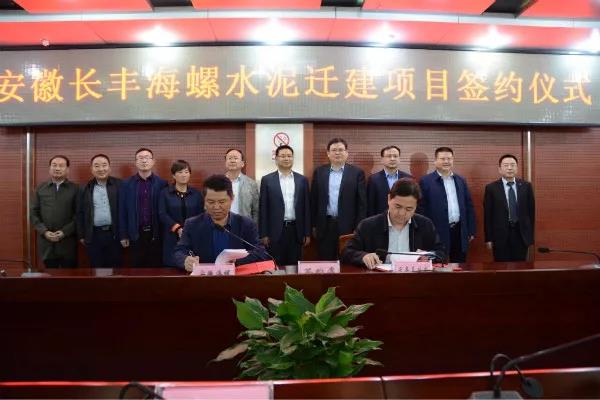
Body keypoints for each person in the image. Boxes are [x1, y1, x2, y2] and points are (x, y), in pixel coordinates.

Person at [342, 178, 446, 269]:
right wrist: (363, 256)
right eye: (398, 207)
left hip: (414, 279)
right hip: (378, 280)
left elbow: (441, 253)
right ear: (389, 199)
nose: (402, 213)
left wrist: (428, 256)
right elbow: (347, 252)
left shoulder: (425, 225)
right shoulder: (368, 226)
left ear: (416, 206)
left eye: (409, 209)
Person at [173, 174, 267, 271]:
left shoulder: (246, 224)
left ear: (232, 199)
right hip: (204, 278)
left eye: (222, 202)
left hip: (236, 277)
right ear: (204, 201)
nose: (216, 207)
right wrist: (185, 260)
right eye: (211, 202)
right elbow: (179, 251)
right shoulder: (192, 224)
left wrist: (236, 261)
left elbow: (260, 253)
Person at [311, 138, 367, 260]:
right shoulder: (319, 172)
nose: (337, 153)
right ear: (328, 153)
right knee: (326, 260)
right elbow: (314, 200)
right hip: (325, 225)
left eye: (341, 150)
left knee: (347, 259)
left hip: (348, 226)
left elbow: (362, 204)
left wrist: (359, 227)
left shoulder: (357, 173)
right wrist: (314, 225)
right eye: (334, 150)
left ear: (346, 153)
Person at [418, 147, 476, 263]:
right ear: (435, 161)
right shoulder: (426, 181)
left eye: (449, 159)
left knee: (459, 265)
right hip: (437, 230)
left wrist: (470, 230)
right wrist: (425, 231)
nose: (446, 161)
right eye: (442, 159)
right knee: (438, 264)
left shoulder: (460, 180)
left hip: (459, 230)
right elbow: (421, 209)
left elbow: (468, 206)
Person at [259, 145, 310, 266]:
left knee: (294, 265)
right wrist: (263, 233)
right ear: (276, 159)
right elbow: (263, 208)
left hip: (296, 230)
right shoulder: (267, 180)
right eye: (282, 156)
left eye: (289, 156)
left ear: (293, 158)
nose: (286, 158)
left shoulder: (302, 180)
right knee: (276, 266)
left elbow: (306, 208)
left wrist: (307, 232)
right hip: (275, 231)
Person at [118, 147, 167, 267]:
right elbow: (122, 211)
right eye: (140, 158)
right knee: (136, 268)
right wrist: (123, 234)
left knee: (156, 268)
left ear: (153, 161)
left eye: (147, 158)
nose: (144, 161)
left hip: (156, 233)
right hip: (135, 233)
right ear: (136, 162)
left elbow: (165, 211)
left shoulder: (162, 184)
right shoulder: (126, 184)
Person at [484, 154, 535, 262]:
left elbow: (531, 213)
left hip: (521, 235)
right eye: (506, 165)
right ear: (499, 169)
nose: (509, 168)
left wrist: (530, 236)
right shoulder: (491, 188)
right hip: (500, 236)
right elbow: (488, 216)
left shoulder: (526, 186)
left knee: (520, 267)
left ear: (517, 168)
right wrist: (489, 238)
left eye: (512, 165)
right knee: (501, 267)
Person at [30, 155, 79, 268]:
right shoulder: (40, 188)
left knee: (69, 275)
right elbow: (33, 213)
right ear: (49, 168)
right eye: (54, 165)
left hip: (67, 242)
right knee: (50, 275)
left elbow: (79, 214)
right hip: (46, 243)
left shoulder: (75, 189)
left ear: (67, 169)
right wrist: (44, 231)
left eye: (61, 166)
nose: (57, 168)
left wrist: (64, 232)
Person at [77, 154, 122, 268]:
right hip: (94, 235)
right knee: (97, 268)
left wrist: (125, 234)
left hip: (114, 234)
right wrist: (81, 235)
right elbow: (80, 213)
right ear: (91, 169)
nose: (101, 169)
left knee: (116, 269)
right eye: (96, 166)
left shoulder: (120, 185)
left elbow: (125, 210)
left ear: (109, 167)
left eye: (104, 165)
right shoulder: (84, 188)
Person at [158, 160, 204, 267]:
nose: (184, 175)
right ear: (173, 175)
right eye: (180, 172)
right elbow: (162, 214)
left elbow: (201, 214)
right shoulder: (165, 193)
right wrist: (177, 228)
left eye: (186, 172)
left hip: (192, 235)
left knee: (191, 265)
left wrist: (191, 229)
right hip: (171, 236)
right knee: (171, 264)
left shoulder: (196, 194)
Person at [367, 145, 412, 216]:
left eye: (395, 156)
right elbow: (370, 205)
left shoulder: (408, 179)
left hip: (403, 218)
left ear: (399, 159)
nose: (392, 159)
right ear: (382, 160)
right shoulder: (373, 179)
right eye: (389, 156)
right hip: (381, 219)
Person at [224, 148, 259, 223]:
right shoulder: (217, 183)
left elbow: (256, 210)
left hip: (244, 225)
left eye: (236, 158)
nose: (232, 161)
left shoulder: (251, 184)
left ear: (242, 163)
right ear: (226, 163)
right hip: (222, 225)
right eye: (229, 158)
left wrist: (254, 227)